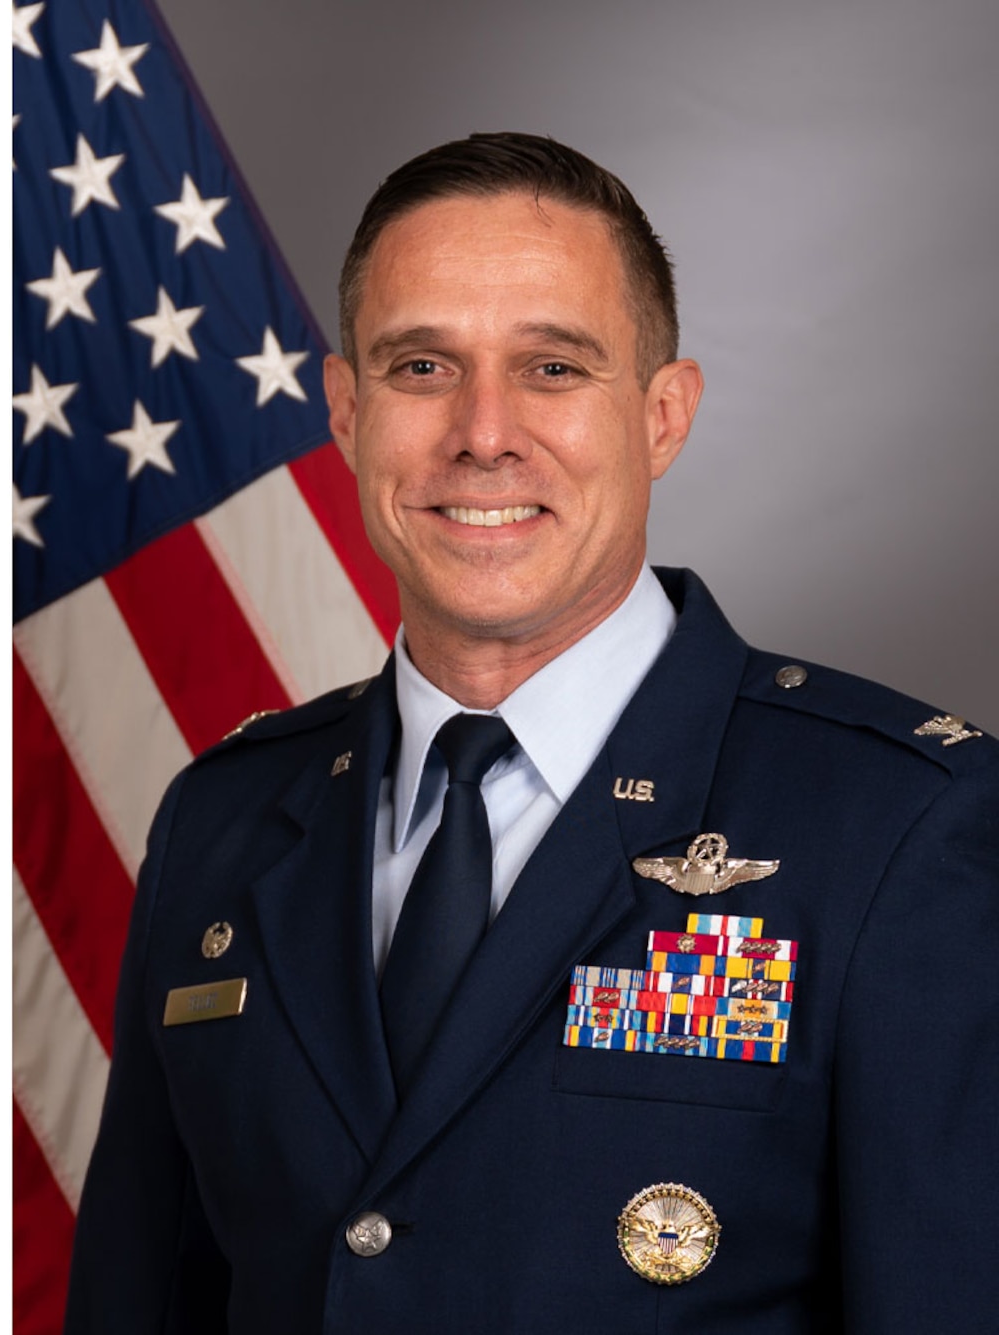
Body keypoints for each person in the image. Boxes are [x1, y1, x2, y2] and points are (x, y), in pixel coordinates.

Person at [64, 132, 999, 1332]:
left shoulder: (897, 825)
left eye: (552, 368)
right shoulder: (225, 820)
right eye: (418, 368)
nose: (482, 432)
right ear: (344, 414)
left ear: (661, 416)